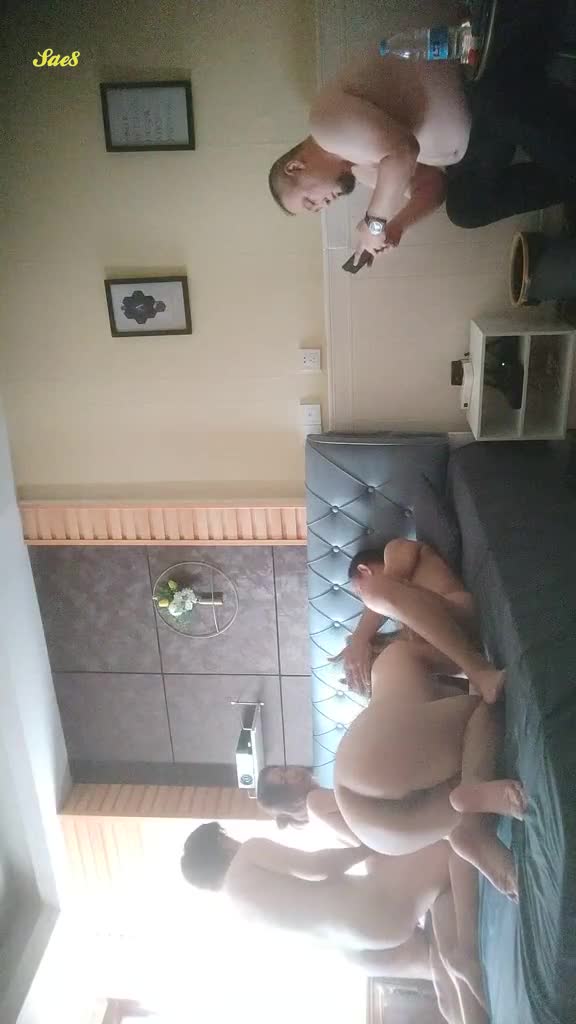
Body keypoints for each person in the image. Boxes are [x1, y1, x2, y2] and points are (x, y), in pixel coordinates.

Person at [268, 3, 576, 250]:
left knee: (499, 106)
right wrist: (396, 226)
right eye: (316, 209)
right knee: (466, 208)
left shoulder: (324, 126)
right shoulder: (361, 169)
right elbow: (431, 186)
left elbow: (403, 151)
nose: (322, 206)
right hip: (480, 132)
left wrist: (374, 223)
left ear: (295, 167)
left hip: (480, 80)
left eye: (310, 201)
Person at [180, 822, 488, 1022]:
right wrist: (366, 847)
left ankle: (458, 987)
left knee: (442, 953)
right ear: (221, 842)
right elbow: (317, 866)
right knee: (450, 850)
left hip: (357, 953)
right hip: (370, 911)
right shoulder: (247, 854)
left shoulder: (241, 912)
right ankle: (459, 951)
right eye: (227, 837)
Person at [256, 765, 490, 1023]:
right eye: (284, 779)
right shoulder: (316, 800)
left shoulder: (315, 814)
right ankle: (461, 957)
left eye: (284, 770)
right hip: (393, 861)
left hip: (384, 878)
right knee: (453, 857)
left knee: (444, 958)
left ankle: (464, 988)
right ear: (287, 798)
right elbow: (376, 810)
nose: (292, 773)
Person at [333, 539, 478, 697]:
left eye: (360, 591)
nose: (366, 603)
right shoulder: (406, 614)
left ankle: (477, 671)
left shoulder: (395, 549)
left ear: (364, 570)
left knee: (376, 592)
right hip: (454, 659)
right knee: (389, 658)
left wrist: (358, 640)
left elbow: (386, 588)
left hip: (460, 614)